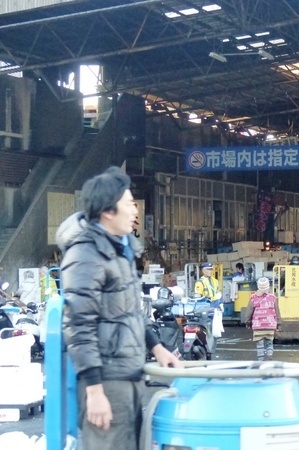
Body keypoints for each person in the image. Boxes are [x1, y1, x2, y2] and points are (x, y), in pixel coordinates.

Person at [57, 166, 181, 450]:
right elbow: (78, 327)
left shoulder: (119, 250)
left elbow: (129, 311)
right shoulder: (85, 255)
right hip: (107, 381)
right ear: (107, 211)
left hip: (128, 375)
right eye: (129, 204)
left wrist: (156, 346)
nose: (135, 211)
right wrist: (95, 391)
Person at [243, 277, 280, 361]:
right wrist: (279, 324)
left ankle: (261, 361)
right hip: (270, 325)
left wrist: (247, 322)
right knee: (269, 342)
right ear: (268, 286)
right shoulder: (273, 298)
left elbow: (249, 312)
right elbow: (277, 312)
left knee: (260, 344)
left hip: (258, 325)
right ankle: (269, 355)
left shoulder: (253, 298)